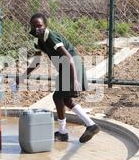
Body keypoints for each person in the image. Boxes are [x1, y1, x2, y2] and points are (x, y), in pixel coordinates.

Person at [16, 13, 100, 143]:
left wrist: (75, 80)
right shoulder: (37, 39)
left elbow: (68, 57)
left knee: (57, 97)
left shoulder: (51, 36)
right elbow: (36, 61)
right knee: (65, 99)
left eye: (40, 26)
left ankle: (63, 133)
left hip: (72, 64)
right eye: (34, 26)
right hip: (65, 67)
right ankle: (91, 125)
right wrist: (22, 76)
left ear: (45, 25)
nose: (37, 29)